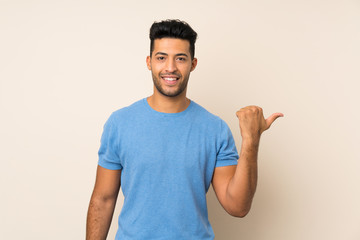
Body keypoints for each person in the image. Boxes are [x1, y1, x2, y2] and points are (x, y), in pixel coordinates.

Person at [86, 19, 283, 240]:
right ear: (149, 62)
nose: (170, 67)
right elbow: (102, 199)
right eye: (161, 58)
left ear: (193, 63)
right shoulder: (119, 123)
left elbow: (237, 207)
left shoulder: (215, 129)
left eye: (180, 58)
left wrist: (251, 141)